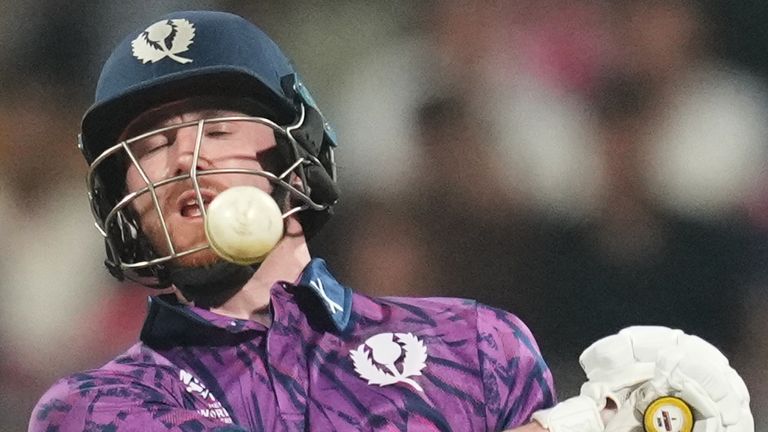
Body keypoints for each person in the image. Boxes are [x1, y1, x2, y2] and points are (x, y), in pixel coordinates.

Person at [29, 11, 752, 432]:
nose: (186, 156)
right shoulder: (94, 410)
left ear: (297, 150)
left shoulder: (478, 346)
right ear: (119, 201)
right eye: (151, 144)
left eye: (217, 128)